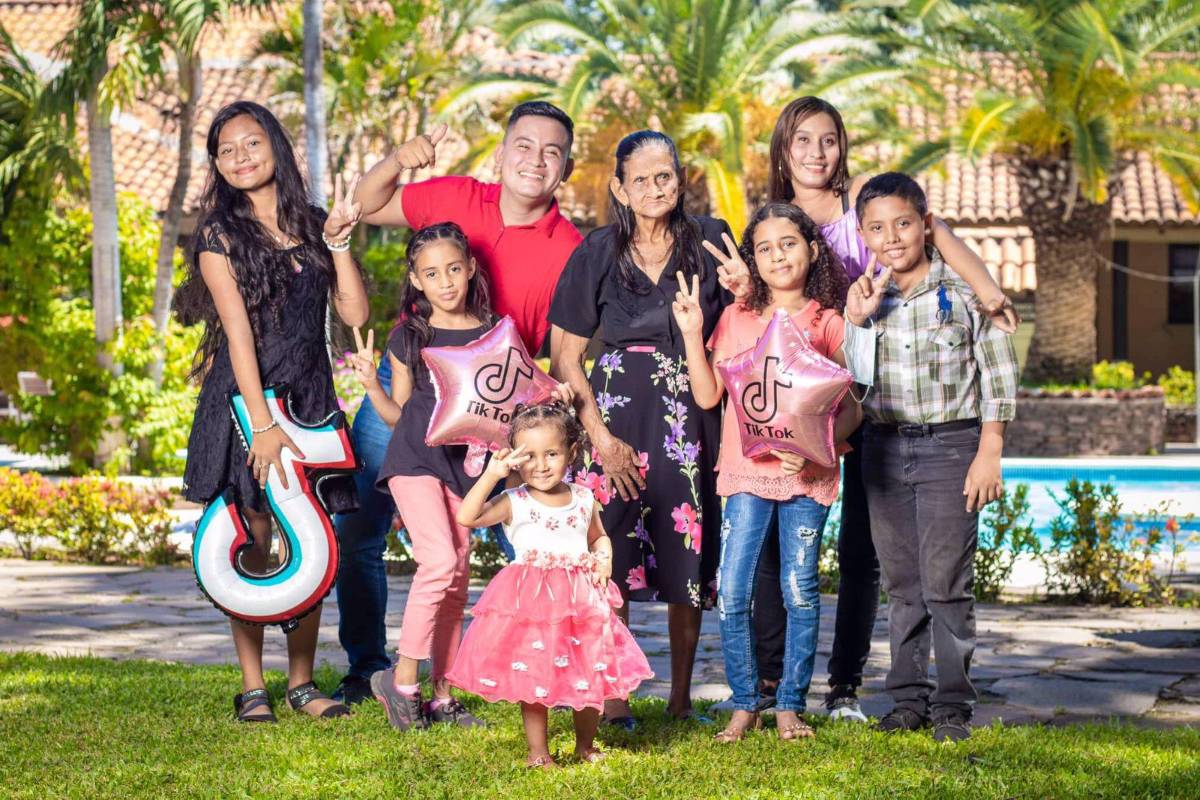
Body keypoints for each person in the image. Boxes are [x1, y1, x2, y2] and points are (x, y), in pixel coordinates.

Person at [752, 96, 1019, 721]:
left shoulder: (869, 205)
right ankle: (787, 690)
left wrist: (984, 288)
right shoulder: (783, 222)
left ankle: (869, 690)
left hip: (922, 419)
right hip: (836, 406)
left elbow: (936, 231)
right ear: (782, 150)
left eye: (829, 140)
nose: (818, 153)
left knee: (895, 566)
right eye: (803, 141)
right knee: (851, 562)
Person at [331, 102, 583, 704]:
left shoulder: (571, 248)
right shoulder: (456, 198)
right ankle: (369, 666)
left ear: (565, 168)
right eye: (524, 145)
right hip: (413, 401)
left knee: (471, 555)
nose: (536, 160)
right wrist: (399, 158)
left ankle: (454, 681)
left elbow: (556, 351)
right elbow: (364, 205)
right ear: (501, 154)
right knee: (361, 534)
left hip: (483, 428)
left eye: (552, 151)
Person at [175, 100, 369, 722]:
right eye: (226, 151)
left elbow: (356, 315)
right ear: (216, 165)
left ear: (275, 146)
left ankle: (304, 684)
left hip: (310, 395)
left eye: (250, 143)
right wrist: (261, 425)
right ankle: (253, 685)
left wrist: (337, 242)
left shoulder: (314, 223)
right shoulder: (218, 237)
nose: (240, 157)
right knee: (256, 533)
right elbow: (237, 335)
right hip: (247, 399)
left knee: (313, 535)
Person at [549, 130, 750, 727]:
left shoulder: (711, 239)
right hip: (613, 417)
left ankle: (682, 700)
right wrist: (600, 438)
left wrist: (745, 289)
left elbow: (746, 314)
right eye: (641, 179)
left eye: (665, 175)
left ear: (680, 178)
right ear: (619, 188)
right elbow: (566, 357)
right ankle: (614, 702)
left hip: (692, 414)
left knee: (686, 552)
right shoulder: (597, 250)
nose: (656, 188)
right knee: (610, 553)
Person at [673, 203, 860, 743]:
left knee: (799, 589)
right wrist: (690, 331)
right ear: (753, 261)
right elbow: (709, 394)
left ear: (813, 249)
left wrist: (823, 450)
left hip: (807, 480)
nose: (778, 255)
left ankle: (789, 705)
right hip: (746, 474)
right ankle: (745, 700)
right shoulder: (736, 317)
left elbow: (853, 406)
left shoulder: (827, 322)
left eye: (789, 243)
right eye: (765, 248)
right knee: (733, 591)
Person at [842, 173, 1019, 742]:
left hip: (951, 446)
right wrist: (858, 322)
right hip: (883, 451)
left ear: (926, 224)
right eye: (876, 227)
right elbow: (853, 384)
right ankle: (908, 701)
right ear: (863, 234)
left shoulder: (965, 288)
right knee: (903, 584)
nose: (891, 236)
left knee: (946, 583)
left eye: (902, 222)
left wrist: (989, 449)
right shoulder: (865, 296)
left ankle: (951, 706)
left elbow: (996, 370)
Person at [442, 402, 653, 768]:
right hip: (533, 604)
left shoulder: (583, 498)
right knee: (534, 677)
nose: (540, 465)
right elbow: (467, 516)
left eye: (551, 454)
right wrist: (492, 475)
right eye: (530, 456)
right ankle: (538, 752)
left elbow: (598, 537)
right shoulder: (514, 501)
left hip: (581, 600)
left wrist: (605, 558)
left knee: (589, 673)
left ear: (571, 452)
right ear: (516, 459)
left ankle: (585, 745)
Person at [346, 222, 495, 730]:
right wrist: (370, 384)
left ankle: (443, 696)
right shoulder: (410, 335)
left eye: (454, 268)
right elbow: (401, 414)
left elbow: (504, 403)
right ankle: (401, 679)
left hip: (463, 468)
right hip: (412, 461)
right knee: (438, 560)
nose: (446, 281)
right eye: (432, 273)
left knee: (457, 576)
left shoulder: (494, 331)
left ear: (471, 268)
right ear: (416, 280)